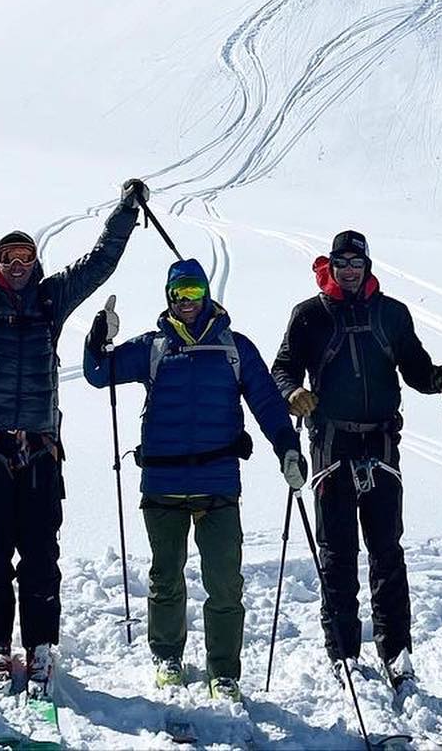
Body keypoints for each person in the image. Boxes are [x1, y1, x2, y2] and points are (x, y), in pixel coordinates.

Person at [0, 164, 146, 697]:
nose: (17, 265)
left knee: (40, 551)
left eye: (25, 257)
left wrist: (126, 214)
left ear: (36, 264)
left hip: (38, 446)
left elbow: (100, 261)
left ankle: (39, 649)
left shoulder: (52, 299)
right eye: (8, 258)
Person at [83, 260, 305, 702]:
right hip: (162, 483)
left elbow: (266, 401)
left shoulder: (234, 348)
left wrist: (287, 448)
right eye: (180, 293)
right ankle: (168, 657)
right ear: (169, 297)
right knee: (166, 578)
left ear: (206, 295)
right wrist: (97, 337)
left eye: (195, 292)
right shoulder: (153, 347)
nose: (188, 301)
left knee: (224, 582)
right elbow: (97, 373)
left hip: (218, 482)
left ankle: (223, 671)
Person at [269, 229, 442, 693]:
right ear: (329, 266)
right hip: (332, 446)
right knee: (337, 557)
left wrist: (437, 379)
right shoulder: (309, 316)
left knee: (388, 554)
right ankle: (344, 654)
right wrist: (293, 393)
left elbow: (413, 366)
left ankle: (397, 652)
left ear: (368, 266)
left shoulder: (391, 314)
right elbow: (282, 368)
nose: (349, 271)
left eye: (356, 263)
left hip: (382, 446)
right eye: (341, 263)